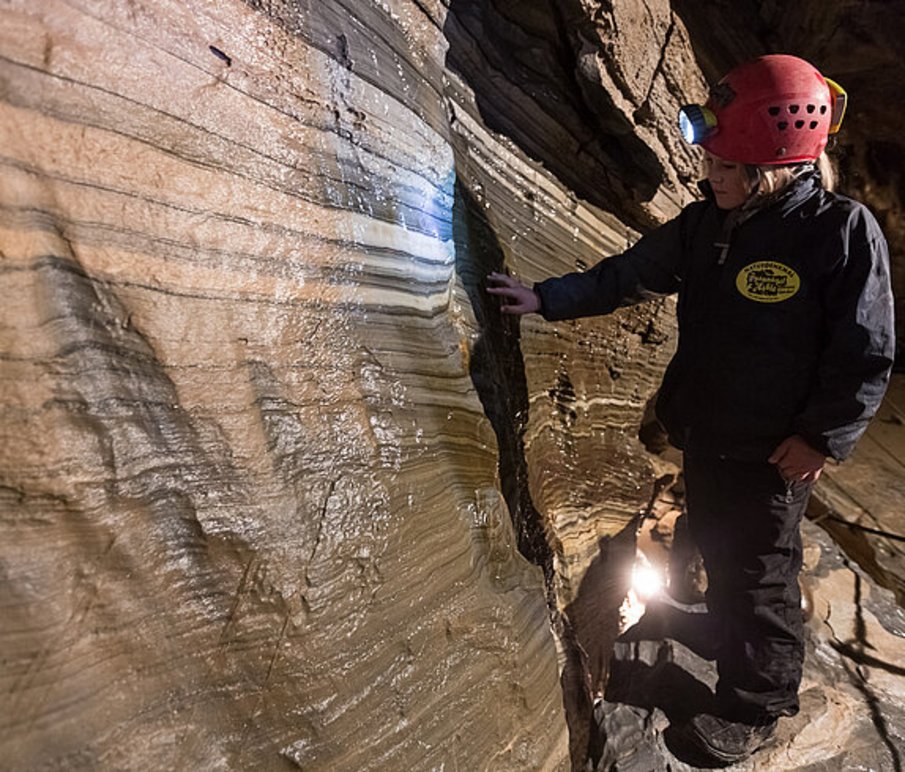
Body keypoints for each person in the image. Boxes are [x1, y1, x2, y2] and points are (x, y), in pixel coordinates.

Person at [486, 54, 896, 765]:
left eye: (725, 166)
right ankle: (721, 633)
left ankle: (757, 704)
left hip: (775, 453)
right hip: (709, 436)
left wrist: (821, 439)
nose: (709, 175)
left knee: (759, 576)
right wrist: (546, 298)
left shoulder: (838, 231)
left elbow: (865, 350)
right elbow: (630, 273)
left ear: (772, 170)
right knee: (716, 545)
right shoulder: (708, 223)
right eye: (710, 162)